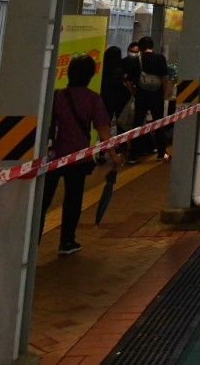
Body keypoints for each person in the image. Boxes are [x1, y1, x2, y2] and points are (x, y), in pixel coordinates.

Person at [41, 54, 121, 256]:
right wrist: (113, 155)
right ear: (90, 75)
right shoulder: (92, 98)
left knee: (43, 201)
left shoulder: (57, 96)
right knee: (73, 199)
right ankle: (67, 242)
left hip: (52, 157)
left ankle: (32, 239)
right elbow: (103, 130)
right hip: (77, 157)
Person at [126, 37, 171, 162]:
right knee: (159, 124)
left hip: (141, 96)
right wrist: (165, 94)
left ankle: (133, 155)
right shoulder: (160, 58)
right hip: (157, 96)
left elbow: (129, 81)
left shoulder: (137, 60)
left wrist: (134, 92)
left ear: (140, 47)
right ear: (152, 46)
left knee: (137, 124)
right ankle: (161, 154)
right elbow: (165, 78)